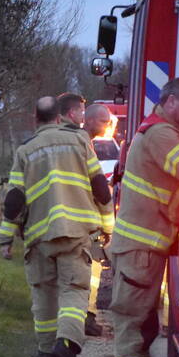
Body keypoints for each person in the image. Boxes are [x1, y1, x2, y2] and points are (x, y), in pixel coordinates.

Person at [0, 96, 114, 357]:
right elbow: (100, 186)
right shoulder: (78, 141)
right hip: (75, 233)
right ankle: (67, 343)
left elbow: (14, 200)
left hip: (39, 235)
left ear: (34, 119)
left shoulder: (25, 150)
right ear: (59, 118)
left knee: (44, 292)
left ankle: (46, 350)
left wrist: (5, 238)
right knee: (74, 291)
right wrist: (108, 225)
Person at [109, 78, 179, 357]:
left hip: (145, 245)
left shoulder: (162, 130)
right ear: (169, 103)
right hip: (141, 246)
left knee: (143, 321)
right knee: (133, 319)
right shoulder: (162, 135)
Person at [81, 102, 116, 337]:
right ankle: (87, 318)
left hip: (74, 220)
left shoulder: (83, 142)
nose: (108, 125)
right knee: (90, 273)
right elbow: (101, 188)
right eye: (104, 121)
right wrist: (108, 227)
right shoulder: (83, 144)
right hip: (86, 222)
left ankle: (85, 316)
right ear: (90, 120)